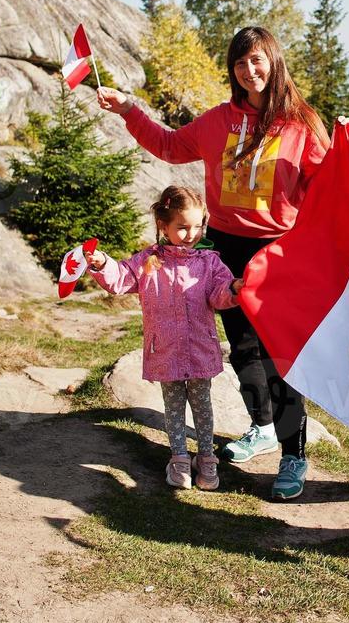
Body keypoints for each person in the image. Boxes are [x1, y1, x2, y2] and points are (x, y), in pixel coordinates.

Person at [95, 26, 329, 500]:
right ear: (233, 71)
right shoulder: (218, 121)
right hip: (223, 247)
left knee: (278, 355)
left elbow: (329, 184)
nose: (250, 70)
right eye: (241, 63)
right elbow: (166, 145)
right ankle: (262, 426)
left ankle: (293, 454)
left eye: (258, 60)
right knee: (242, 348)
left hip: (278, 251)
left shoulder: (300, 124)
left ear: (274, 62)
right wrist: (127, 109)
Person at [86, 185, 241, 491]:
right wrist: (103, 264)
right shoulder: (148, 261)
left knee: (202, 404)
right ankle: (180, 458)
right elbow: (120, 279)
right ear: (163, 225)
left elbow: (219, 294)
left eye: (198, 226)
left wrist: (234, 289)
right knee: (173, 406)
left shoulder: (209, 262)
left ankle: (207, 457)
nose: (191, 234)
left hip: (200, 347)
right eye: (182, 227)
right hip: (166, 349)